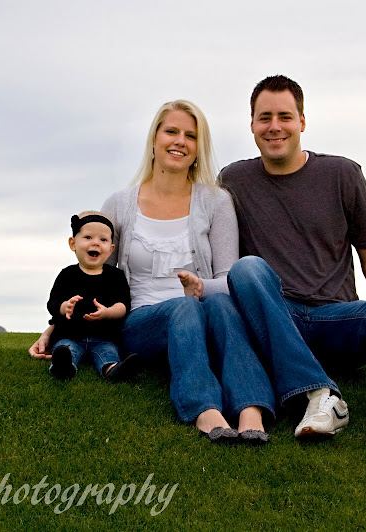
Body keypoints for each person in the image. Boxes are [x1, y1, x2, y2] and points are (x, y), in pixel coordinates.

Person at [220, 74, 366, 457]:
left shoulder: (343, 174)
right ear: (251, 125)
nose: (274, 126)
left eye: (285, 116)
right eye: (265, 118)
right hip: (278, 323)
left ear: (302, 121)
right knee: (246, 269)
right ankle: (321, 395)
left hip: (338, 322)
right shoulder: (234, 180)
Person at [31, 100, 275, 444]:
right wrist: (56, 326)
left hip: (204, 314)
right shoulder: (119, 204)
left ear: (199, 148)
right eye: (171, 131)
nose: (180, 141)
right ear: (155, 140)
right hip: (142, 322)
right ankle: (204, 409)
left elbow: (228, 280)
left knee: (220, 305)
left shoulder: (216, 202)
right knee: (184, 307)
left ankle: (251, 410)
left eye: (191, 135)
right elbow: (94, 277)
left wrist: (199, 287)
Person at [44, 210, 136, 381]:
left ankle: (113, 369)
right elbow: (52, 303)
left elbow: (123, 305)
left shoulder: (115, 276)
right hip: (70, 335)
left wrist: (108, 312)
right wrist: (65, 307)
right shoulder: (67, 275)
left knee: (108, 352)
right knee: (66, 349)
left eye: (103, 240)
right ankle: (63, 367)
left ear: (111, 249)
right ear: (73, 244)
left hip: (104, 337)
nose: (96, 243)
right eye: (88, 237)